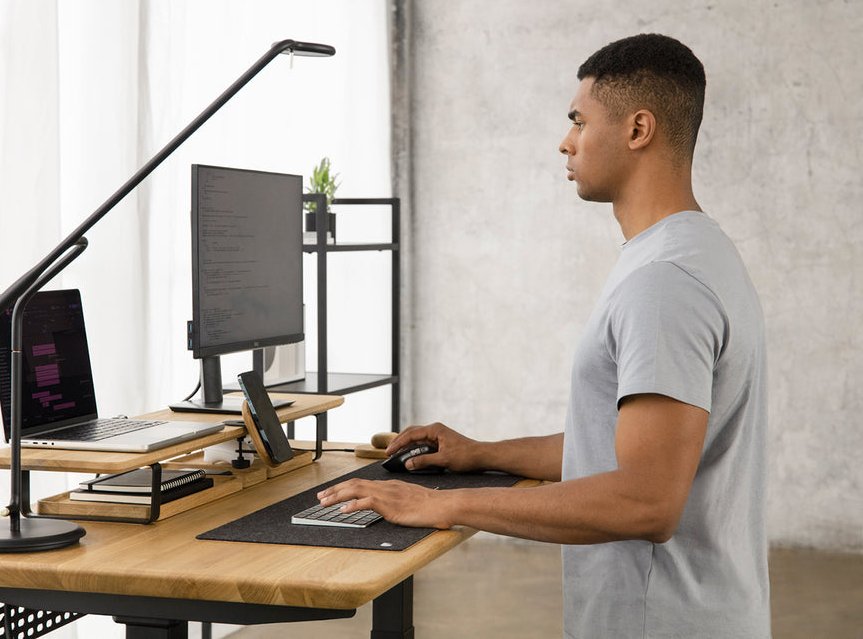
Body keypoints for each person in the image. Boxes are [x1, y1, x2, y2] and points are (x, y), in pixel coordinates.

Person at [317, 33, 770, 638]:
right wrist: (480, 453)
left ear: (638, 130)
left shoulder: (664, 283)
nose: (566, 141)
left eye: (579, 121)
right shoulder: (692, 253)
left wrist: (442, 505)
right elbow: (628, 446)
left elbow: (646, 499)